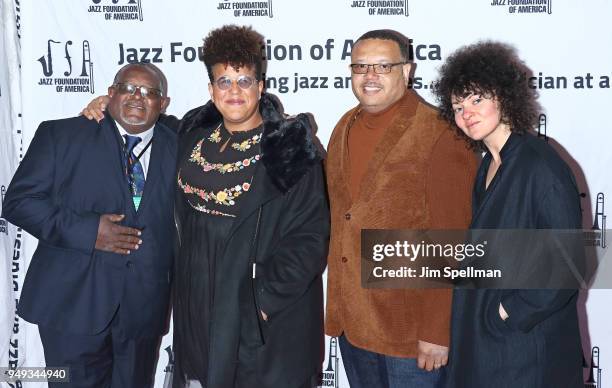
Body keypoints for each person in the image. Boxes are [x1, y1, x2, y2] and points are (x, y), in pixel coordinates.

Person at [83, 25, 329, 388]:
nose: (234, 91)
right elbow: (141, 122)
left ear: (261, 87)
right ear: (211, 89)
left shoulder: (290, 151)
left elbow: (309, 238)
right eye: (223, 81)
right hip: (196, 300)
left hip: (259, 310)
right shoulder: (191, 136)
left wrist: (261, 302)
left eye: (244, 81)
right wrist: (107, 105)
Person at [2, 63, 175, 387]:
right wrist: (88, 230)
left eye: (150, 92)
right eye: (128, 88)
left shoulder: (179, 146)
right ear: (110, 94)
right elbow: (18, 202)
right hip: (72, 306)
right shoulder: (62, 135)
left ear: (163, 104)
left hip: (142, 313)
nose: (138, 97)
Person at [324, 29, 477, 387]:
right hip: (353, 324)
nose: (370, 76)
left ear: (407, 72)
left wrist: (438, 330)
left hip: (412, 334)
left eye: (383, 66)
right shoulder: (343, 126)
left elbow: (453, 237)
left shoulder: (440, 132)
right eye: (360, 66)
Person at [433, 41, 584, 387]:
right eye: (457, 106)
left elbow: (566, 262)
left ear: (503, 96)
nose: (465, 112)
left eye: (476, 99)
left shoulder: (539, 164)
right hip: (485, 342)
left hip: (525, 347)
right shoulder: (488, 163)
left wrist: (509, 312)